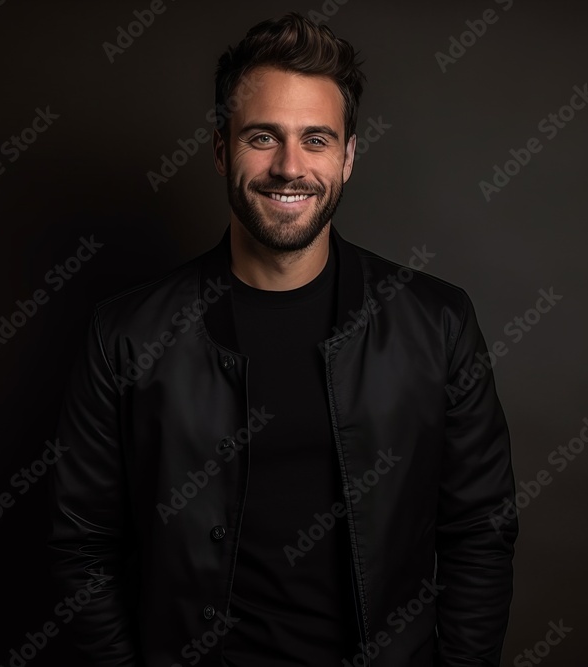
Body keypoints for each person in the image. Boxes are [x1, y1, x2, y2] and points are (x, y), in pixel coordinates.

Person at [48, 12, 518, 667]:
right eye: (264, 137)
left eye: (316, 140)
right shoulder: (126, 335)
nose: (289, 167)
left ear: (349, 156)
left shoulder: (437, 323)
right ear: (221, 149)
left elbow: (479, 530)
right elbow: (81, 543)